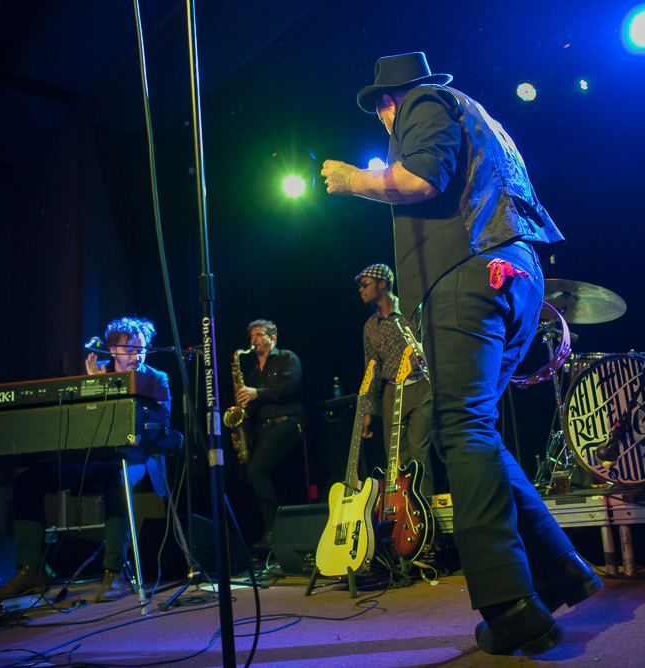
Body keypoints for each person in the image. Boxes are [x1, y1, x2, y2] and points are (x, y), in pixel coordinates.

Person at [322, 52, 602, 656]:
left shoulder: (425, 103)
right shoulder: (481, 118)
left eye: (381, 113)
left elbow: (420, 179)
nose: (384, 125)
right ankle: (559, 569)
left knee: (461, 429)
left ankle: (507, 600)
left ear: (389, 102)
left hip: (467, 275)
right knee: (474, 430)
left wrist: (352, 180)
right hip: (515, 276)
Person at [0, 316, 171, 603]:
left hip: (135, 459)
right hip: (96, 457)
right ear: (113, 350)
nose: (137, 355)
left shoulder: (156, 378)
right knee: (27, 481)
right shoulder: (95, 374)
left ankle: (114, 574)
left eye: (142, 348)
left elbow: (158, 426)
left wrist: (107, 388)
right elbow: (86, 426)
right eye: (130, 349)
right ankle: (31, 570)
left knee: (117, 478)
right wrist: (95, 388)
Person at [355, 262, 435, 498]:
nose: (361, 289)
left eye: (365, 284)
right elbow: (371, 369)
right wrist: (368, 410)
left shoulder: (412, 309)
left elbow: (432, 343)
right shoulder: (370, 326)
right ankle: (404, 511)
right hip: (392, 392)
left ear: (383, 284)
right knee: (397, 458)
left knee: (419, 454)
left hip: (421, 387)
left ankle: (426, 509)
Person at [235, 319, 305, 553]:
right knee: (253, 474)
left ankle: (273, 527)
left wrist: (257, 393)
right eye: (251, 336)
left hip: (287, 423)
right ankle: (278, 532)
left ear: (272, 338)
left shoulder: (287, 357)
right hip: (264, 429)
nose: (253, 340)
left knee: (257, 469)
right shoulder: (254, 371)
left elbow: (291, 386)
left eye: (258, 334)